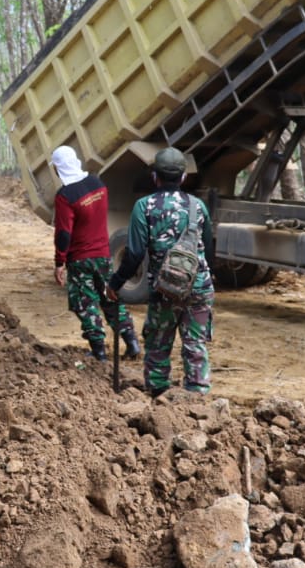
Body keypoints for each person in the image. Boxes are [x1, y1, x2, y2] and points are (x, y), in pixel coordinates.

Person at [106, 147, 214, 397]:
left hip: (164, 289)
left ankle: (158, 397)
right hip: (198, 287)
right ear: (184, 177)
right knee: (195, 345)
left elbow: (133, 254)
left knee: (158, 345)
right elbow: (208, 250)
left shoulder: (144, 206)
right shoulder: (198, 206)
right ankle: (196, 399)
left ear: (155, 176)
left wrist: (115, 283)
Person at [51, 146, 140, 362]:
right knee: (109, 297)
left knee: (85, 303)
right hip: (102, 253)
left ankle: (99, 352)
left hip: (80, 258)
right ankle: (131, 342)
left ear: (59, 168)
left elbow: (64, 233)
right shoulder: (97, 184)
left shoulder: (65, 196)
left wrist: (59, 262)